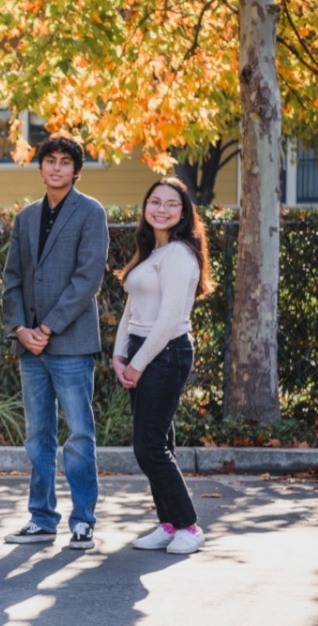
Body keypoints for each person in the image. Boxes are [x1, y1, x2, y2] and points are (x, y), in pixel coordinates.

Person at [2, 137, 109, 549]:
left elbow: (87, 279)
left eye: (66, 162)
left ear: (76, 170)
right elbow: (12, 279)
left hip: (70, 343)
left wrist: (47, 328)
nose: (57, 168)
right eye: (50, 161)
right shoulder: (26, 218)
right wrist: (20, 329)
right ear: (41, 167)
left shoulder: (91, 212)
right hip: (30, 346)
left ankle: (83, 520)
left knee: (79, 435)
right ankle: (41, 518)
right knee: (37, 435)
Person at [113, 177, 213, 555]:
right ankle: (169, 524)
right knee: (160, 441)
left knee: (149, 446)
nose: (161, 208)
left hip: (166, 351)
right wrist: (119, 354)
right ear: (145, 207)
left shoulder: (179, 254)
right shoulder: (152, 253)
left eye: (172, 204)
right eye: (154, 201)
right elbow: (131, 310)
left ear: (184, 212)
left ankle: (189, 525)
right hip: (142, 349)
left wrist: (137, 365)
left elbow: (170, 319)